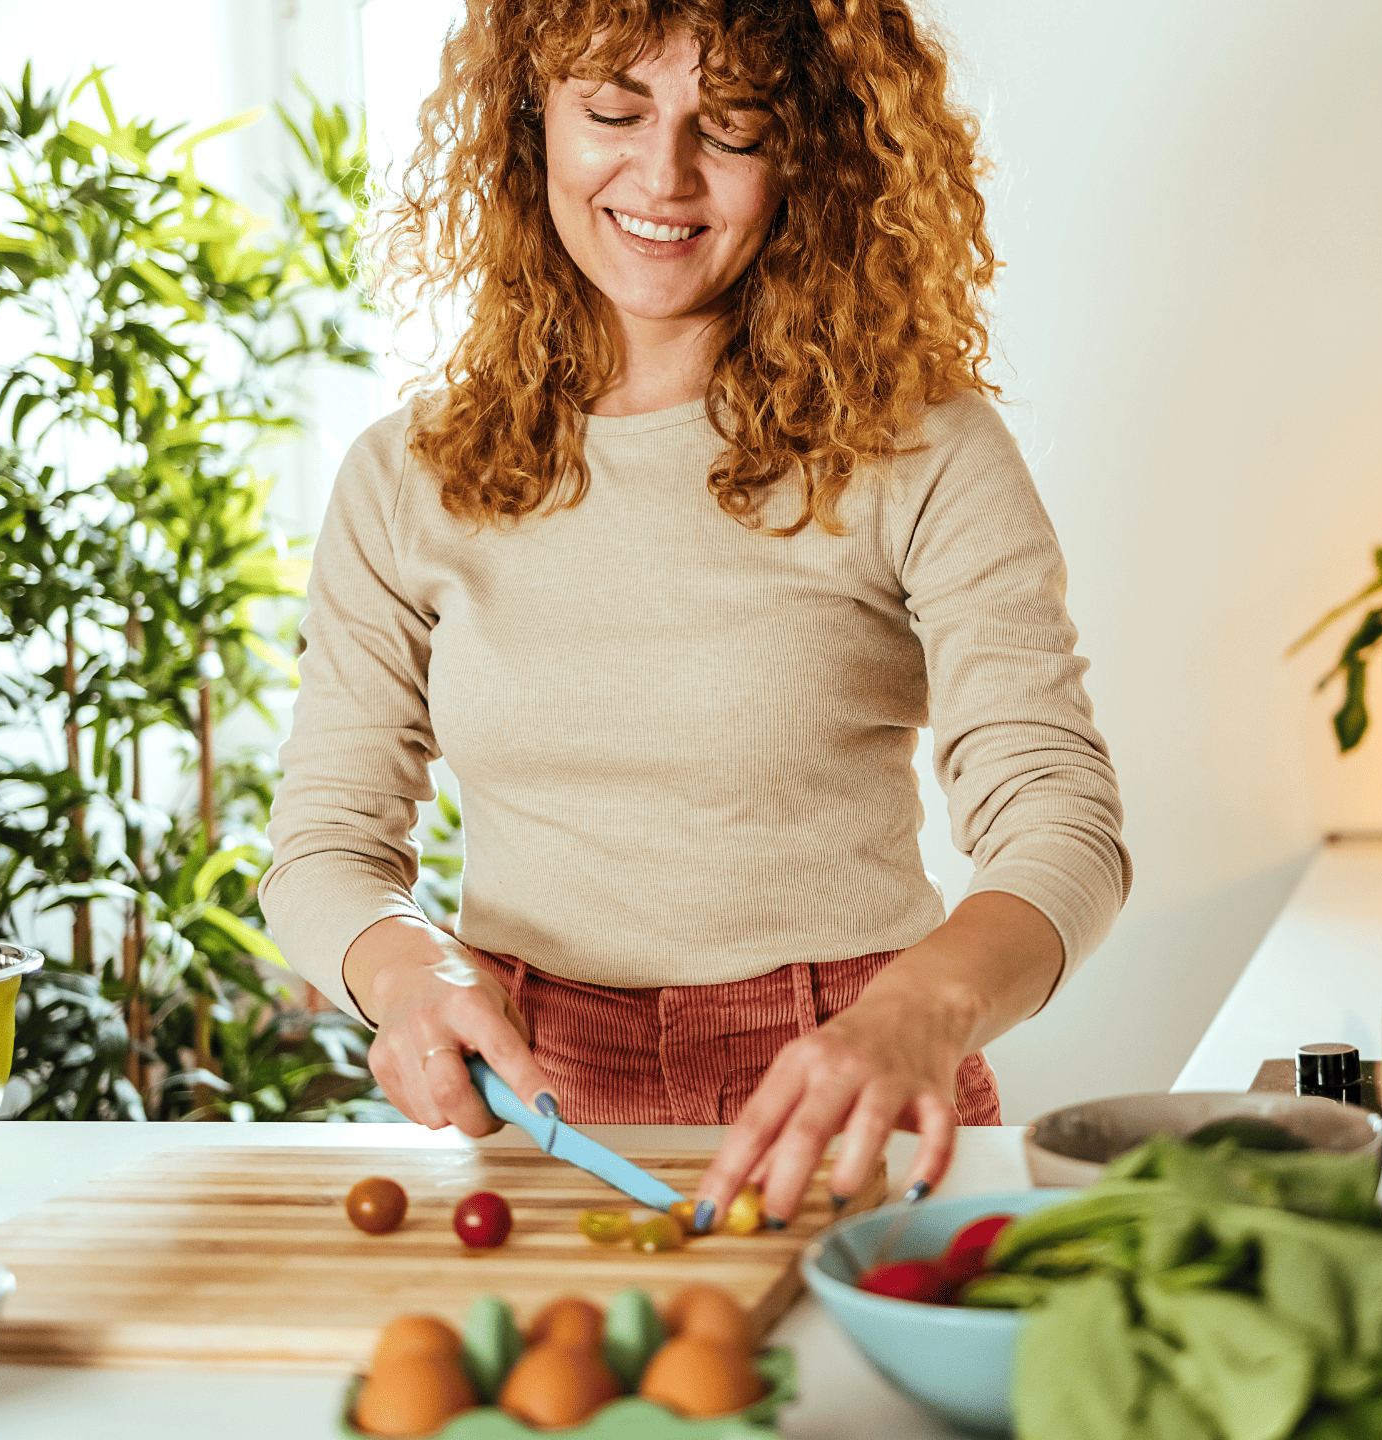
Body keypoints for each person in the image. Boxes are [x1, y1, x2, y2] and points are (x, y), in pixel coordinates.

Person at [258, 0, 1127, 1230]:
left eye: (731, 128)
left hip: (852, 1076)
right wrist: (408, 973)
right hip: (539, 1101)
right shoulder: (407, 476)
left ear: (810, 149)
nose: (663, 176)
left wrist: (918, 1014)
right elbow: (325, 842)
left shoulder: (923, 446)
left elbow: (1059, 821)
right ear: (531, 122)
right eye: (613, 111)